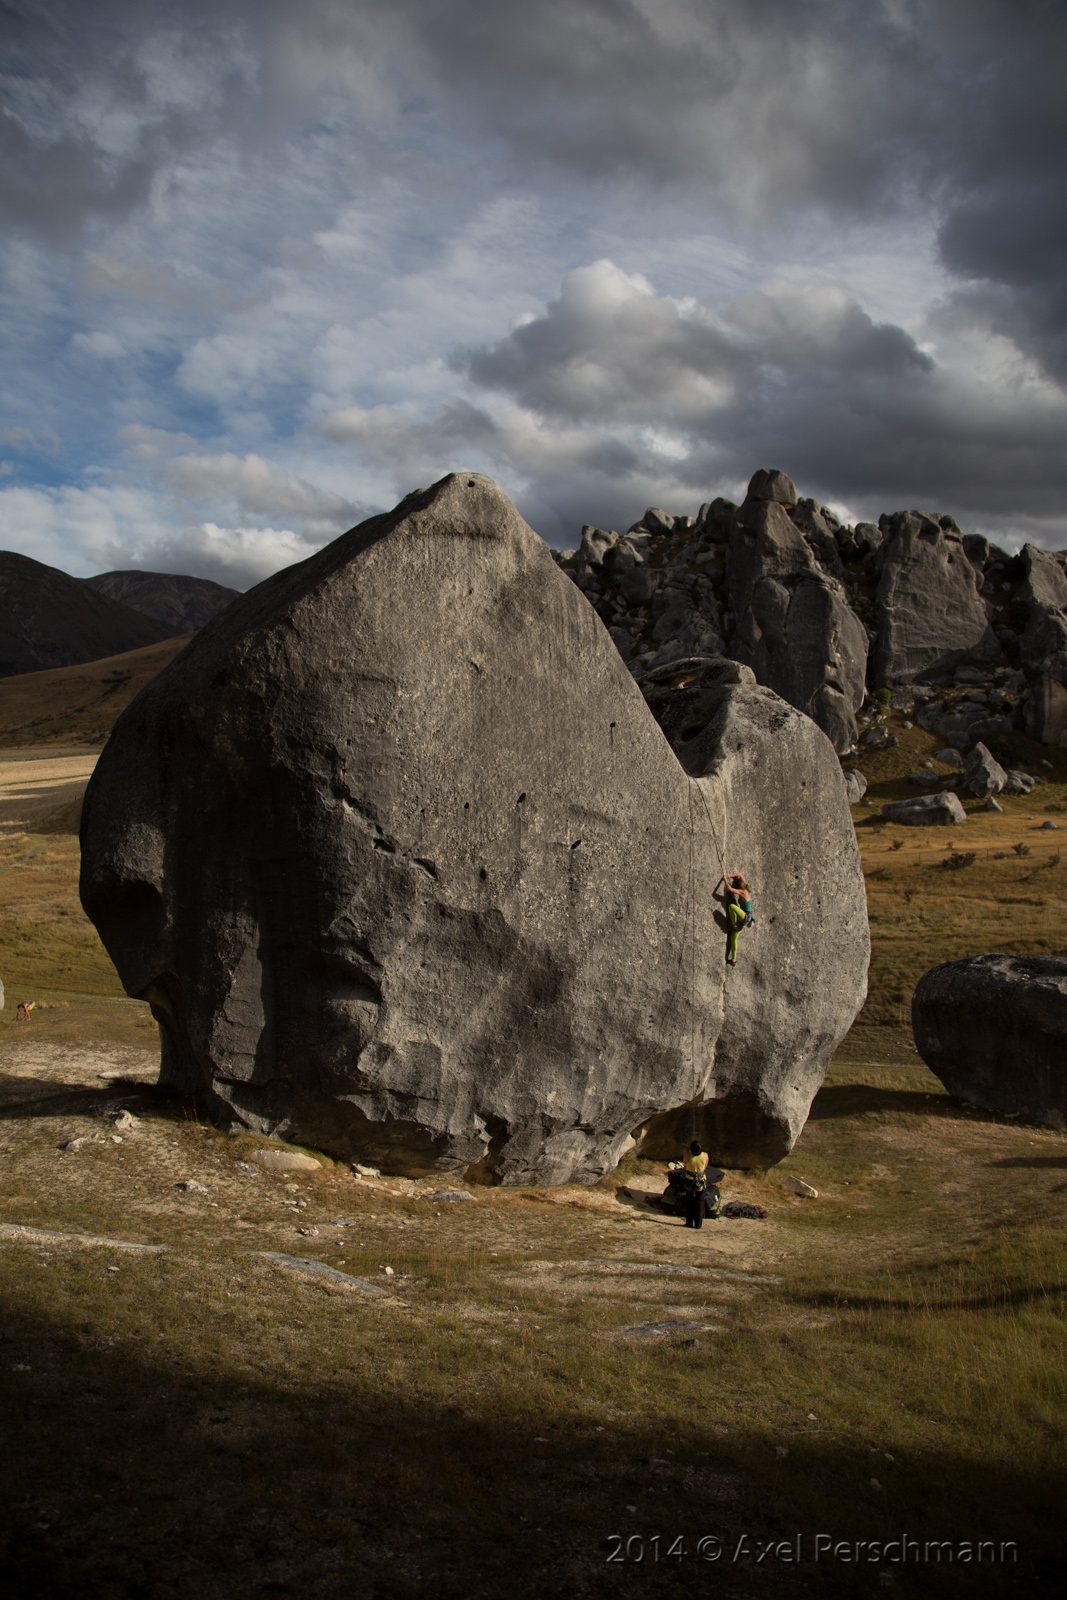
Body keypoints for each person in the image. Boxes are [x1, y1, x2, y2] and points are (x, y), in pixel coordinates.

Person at [723, 871, 753, 966]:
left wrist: (725, 879)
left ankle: (734, 925)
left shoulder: (743, 891)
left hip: (745, 917)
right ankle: (733, 960)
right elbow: (740, 875)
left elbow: (729, 889)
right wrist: (730, 876)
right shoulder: (745, 887)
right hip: (743, 918)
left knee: (732, 907)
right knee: (733, 938)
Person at [683, 1139, 709, 1229]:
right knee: (699, 1202)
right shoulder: (705, 1155)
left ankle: (689, 1222)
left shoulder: (688, 1155)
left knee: (689, 1201)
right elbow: (705, 1166)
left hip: (689, 1180)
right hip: (701, 1180)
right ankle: (698, 1224)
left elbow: (685, 1163)